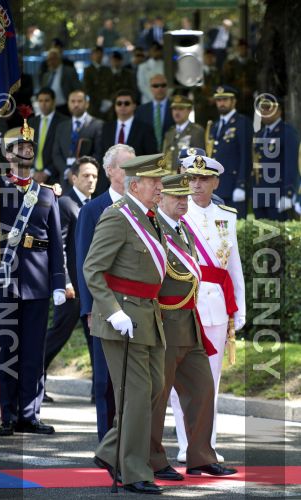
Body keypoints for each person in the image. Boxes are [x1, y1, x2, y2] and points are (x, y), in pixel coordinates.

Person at [0, 122, 66, 436]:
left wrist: (58, 282)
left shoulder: (47, 193)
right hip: (5, 281)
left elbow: (55, 242)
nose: (24, 152)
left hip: (37, 283)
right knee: (7, 351)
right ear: (8, 154)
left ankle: (30, 414)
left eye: (28, 147)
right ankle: (8, 415)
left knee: (34, 353)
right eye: (17, 147)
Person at [83, 153, 170, 495]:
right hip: (122, 319)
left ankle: (108, 451)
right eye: (155, 183)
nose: (161, 188)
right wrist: (112, 310)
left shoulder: (150, 217)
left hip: (147, 316)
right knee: (135, 394)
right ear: (136, 185)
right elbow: (93, 268)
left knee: (153, 387)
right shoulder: (117, 217)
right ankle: (134, 471)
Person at [150, 172, 237, 479]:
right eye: (177, 197)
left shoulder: (184, 229)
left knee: (202, 389)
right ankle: (153, 460)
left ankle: (200, 456)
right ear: (161, 198)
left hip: (191, 319)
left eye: (185, 197)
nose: (184, 202)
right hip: (163, 321)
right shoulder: (154, 228)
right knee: (158, 395)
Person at [171, 153, 246, 462]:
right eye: (191, 178)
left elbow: (234, 266)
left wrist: (239, 307)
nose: (196, 184)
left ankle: (207, 445)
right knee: (178, 383)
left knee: (210, 382)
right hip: (182, 304)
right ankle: (185, 444)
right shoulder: (173, 212)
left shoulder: (226, 215)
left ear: (215, 181)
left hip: (215, 305)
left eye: (203, 179)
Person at [76, 144, 135, 442]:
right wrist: (88, 309)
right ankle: (106, 445)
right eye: (124, 167)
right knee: (105, 381)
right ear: (110, 171)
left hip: (137, 306)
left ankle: (129, 444)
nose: (130, 173)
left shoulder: (141, 208)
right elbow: (84, 261)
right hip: (103, 307)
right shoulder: (92, 209)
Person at [44, 156, 99, 403]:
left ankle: (99, 391)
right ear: (73, 177)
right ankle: (32, 380)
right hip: (72, 288)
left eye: (95, 176)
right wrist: (64, 280)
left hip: (91, 288)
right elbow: (60, 246)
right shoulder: (65, 203)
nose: (91, 180)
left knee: (96, 338)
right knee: (58, 335)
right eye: (86, 175)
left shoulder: (95, 205)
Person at [99, 89, 158, 194]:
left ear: (134, 105)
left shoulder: (145, 129)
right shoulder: (106, 128)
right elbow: (101, 154)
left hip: (135, 184)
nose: (122, 106)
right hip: (108, 184)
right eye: (119, 103)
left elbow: (151, 158)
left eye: (126, 103)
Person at [207, 85, 253, 218]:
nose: (221, 103)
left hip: (234, 186)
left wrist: (241, 184)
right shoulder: (214, 126)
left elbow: (246, 155)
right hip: (217, 187)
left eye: (225, 99)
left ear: (234, 101)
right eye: (219, 100)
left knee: (234, 230)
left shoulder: (242, 122)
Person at [252, 95, 299, 220]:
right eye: (261, 108)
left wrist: (289, 193)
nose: (264, 112)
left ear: (278, 111)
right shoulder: (260, 134)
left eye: (268, 108)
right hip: (261, 195)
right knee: (262, 237)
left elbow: (291, 165)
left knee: (278, 238)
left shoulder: (287, 132)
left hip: (278, 195)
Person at [52, 90, 103, 192]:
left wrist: (81, 172)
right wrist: (67, 172)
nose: (76, 104)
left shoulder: (98, 125)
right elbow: (56, 154)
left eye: (79, 101)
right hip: (65, 181)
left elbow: (99, 154)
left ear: (87, 104)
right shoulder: (61, 126)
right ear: (68, 103)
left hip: (88, 180)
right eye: (73, 101)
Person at [28, 87, 68, 185]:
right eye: (40, 101)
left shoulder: (64, 122)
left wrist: (47, 172)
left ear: (54, 102)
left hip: (55, 176)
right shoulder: (32, 122)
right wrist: (32, 171)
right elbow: (28, 148)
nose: (43, 104)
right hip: (33, 176)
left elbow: (63, 151)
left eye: (47, 100)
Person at [163, 95, 205, 172]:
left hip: (187, 177)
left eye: (181, 109)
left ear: (189, 110)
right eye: (174, 109)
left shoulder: (196, 131)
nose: (176, 112)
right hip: (169, 178)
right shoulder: (170, 132)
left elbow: (199, 159)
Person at [135, 74, 174, 152]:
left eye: (163, 85)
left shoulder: (175, 107)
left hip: (171, 153)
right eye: (155, 86)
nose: (160, 88)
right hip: (147, 155)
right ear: (150, 88)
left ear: (167, 87)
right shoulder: (141, 110)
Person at [40, 47, 82, 116]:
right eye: (49, 60)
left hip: (66, 108)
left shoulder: (69, 71)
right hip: (51, 109)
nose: (50, 62)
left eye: (52, 59)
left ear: (58, 59)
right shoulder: (46, 75)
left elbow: (77, 89)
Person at [83, 47, 114, 120]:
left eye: (100, 53)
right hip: (94, 106)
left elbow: (112, 86)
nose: (98, 55)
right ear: (92, 56)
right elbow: (87, 88)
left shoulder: (107, 70)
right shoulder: (88, 71)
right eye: (96, 53)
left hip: (108, 105)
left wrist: (109, 100)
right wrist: (100, 102)